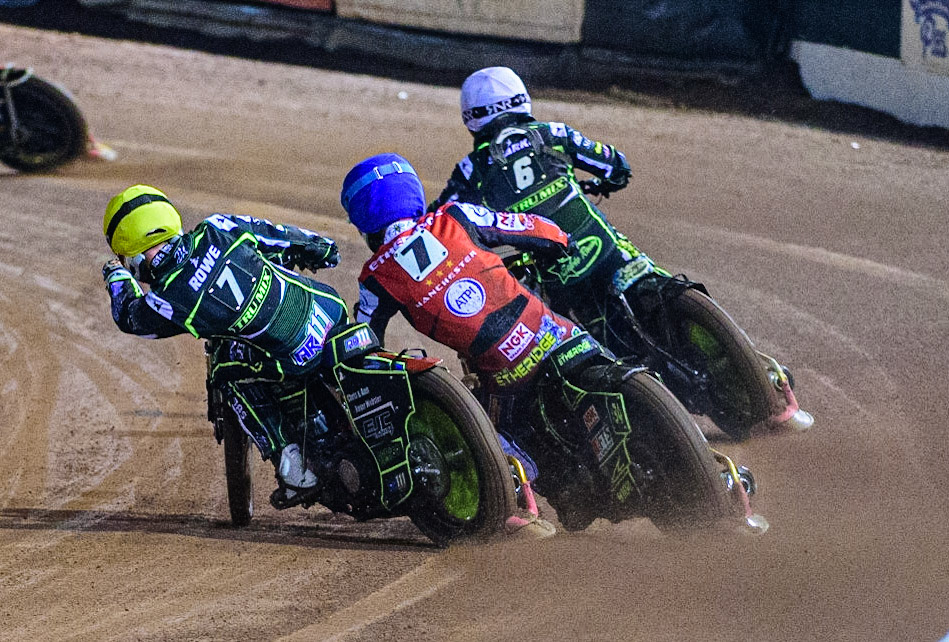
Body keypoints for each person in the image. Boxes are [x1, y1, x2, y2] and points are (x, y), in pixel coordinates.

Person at [341, 153, 612, 508]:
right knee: (601, 353)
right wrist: (560, 240)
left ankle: (523, 504)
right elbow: (525, 226)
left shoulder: (376, 277)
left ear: (363, 221)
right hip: (556, 335)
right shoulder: (455, 215)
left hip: (506, 378)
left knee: (485, 436)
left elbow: (364, 341)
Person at [101, 184, 346, 508]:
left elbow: (129, 317)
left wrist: (115, 276)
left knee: (226, 372)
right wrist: (323, 249)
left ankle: (294, 470)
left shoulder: (168, 299)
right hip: (331, 308)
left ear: (131, 258)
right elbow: (280, 235)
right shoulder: (217, 227)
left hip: (294, 357)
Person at [431, 66, 643, 321]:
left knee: (557, 329)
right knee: (649, 274)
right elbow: (616, 166)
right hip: (606, 248)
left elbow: (437, 223)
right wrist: (605, 184)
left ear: (471, 117)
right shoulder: (555, 133)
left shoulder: (471, 170)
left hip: (555, 274)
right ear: (521, 98)